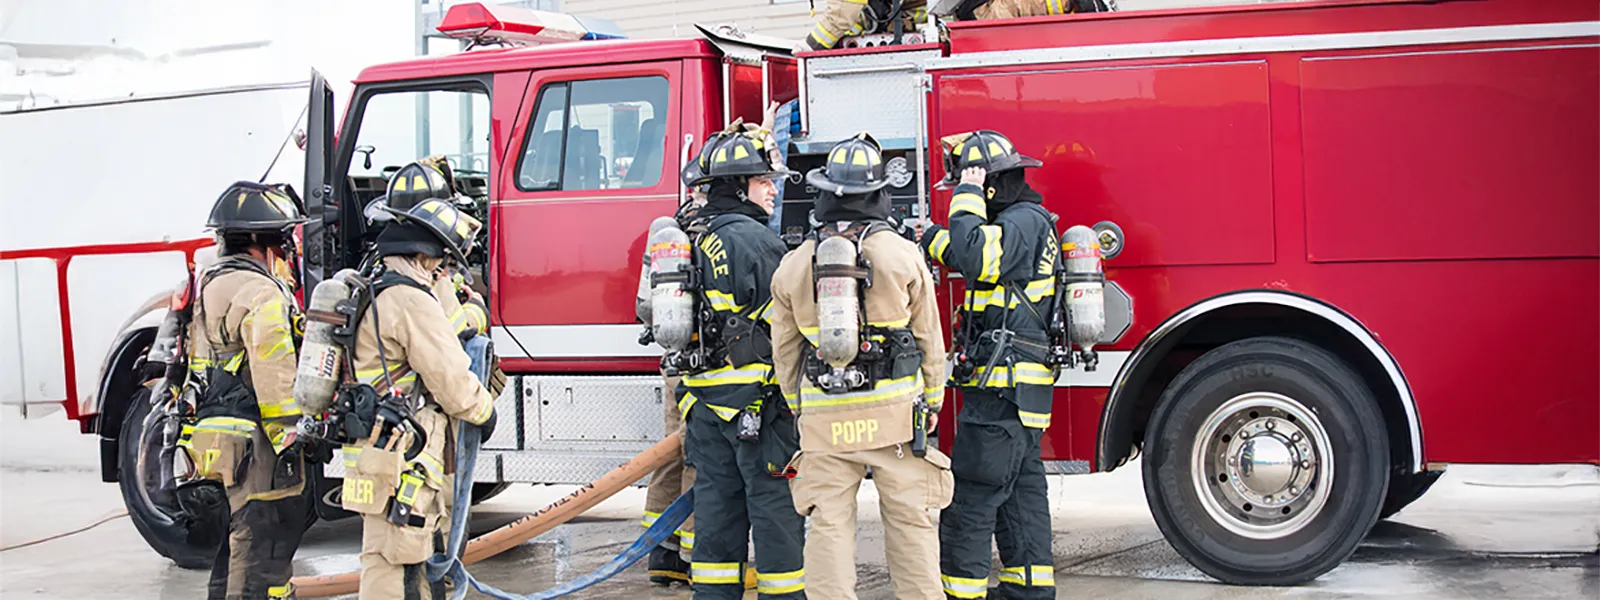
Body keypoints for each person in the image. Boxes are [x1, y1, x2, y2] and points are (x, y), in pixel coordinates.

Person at [769, 132, 954, 600]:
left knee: (828, 526)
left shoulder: (794, 265)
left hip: (825, 423)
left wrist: (800, 407)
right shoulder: (903, 256)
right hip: (895, 423)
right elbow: (930, 338)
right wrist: (933, 400)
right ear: (878, 196)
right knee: (911, 522)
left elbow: (785, 352)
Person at [919, 130, 1060, 599]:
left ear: (989, 186)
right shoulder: (1021, 222)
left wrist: (966, 194)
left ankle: (963, 593)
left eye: (970, 185)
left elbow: (977, 257)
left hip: (1001, 391)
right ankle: (1030, 592)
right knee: (1021, 497)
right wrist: (927, 238)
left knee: (972, 500)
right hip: (1017, 393)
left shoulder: (1021, 222)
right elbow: (966, 249)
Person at [671, 122, 806, 599]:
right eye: (763, 180)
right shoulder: (755, 240)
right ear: (737, 185)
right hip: (759, 408)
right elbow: (794, 322)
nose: (773, 189)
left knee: (717, 513)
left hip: (705, 406)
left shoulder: (690, 235)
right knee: (775, 511)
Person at [339, 197, 498, 600]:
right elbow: (451, 378)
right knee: (397, 561)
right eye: (439, 262)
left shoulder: (376, 289)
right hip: (405, 449)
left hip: (376, 446)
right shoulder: (411, 301)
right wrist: (484, 411)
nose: (441, 272)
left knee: (396, 552)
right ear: (423, 257)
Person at [185, 181, 310, 600]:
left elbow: (200, 366)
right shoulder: (261, 292)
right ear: (265, 242)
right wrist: (291, 436)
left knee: (231, 550)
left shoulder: (210, 284)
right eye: (285, 238)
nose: (290, 249)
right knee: (262, 551)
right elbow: (273, 371)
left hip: (214, 441)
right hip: (256, 449)